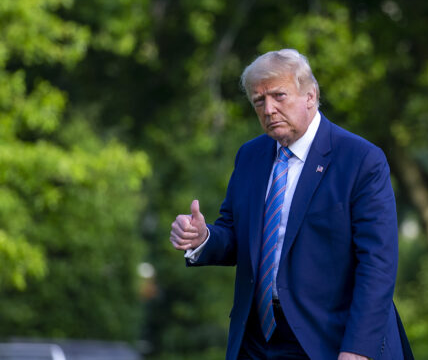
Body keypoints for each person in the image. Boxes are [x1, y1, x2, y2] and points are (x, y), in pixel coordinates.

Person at [169, 49, 412, 360]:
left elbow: (378, 264)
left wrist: (357, 349)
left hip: (327, 340)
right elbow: (234, 235)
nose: (269, 109)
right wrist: (203, 238)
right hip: (255, 341)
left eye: (278, 96)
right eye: (259, 101)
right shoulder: (250, 156)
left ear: (310, 96)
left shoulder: (360, 159)